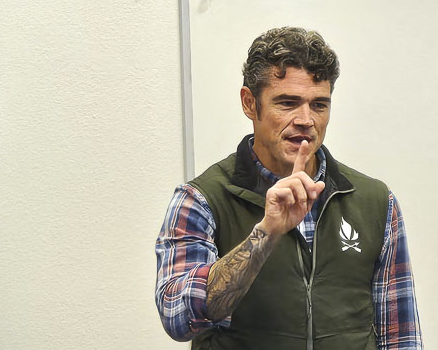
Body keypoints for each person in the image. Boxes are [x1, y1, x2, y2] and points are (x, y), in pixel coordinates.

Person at [156, 27, 423, 350]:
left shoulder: (374, 201)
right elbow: (178, 316)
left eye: (319, 105)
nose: (306, 119)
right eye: (288, 103)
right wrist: (266, 234)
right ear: (249, 103)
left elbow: (400, 336)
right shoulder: (201, 199)